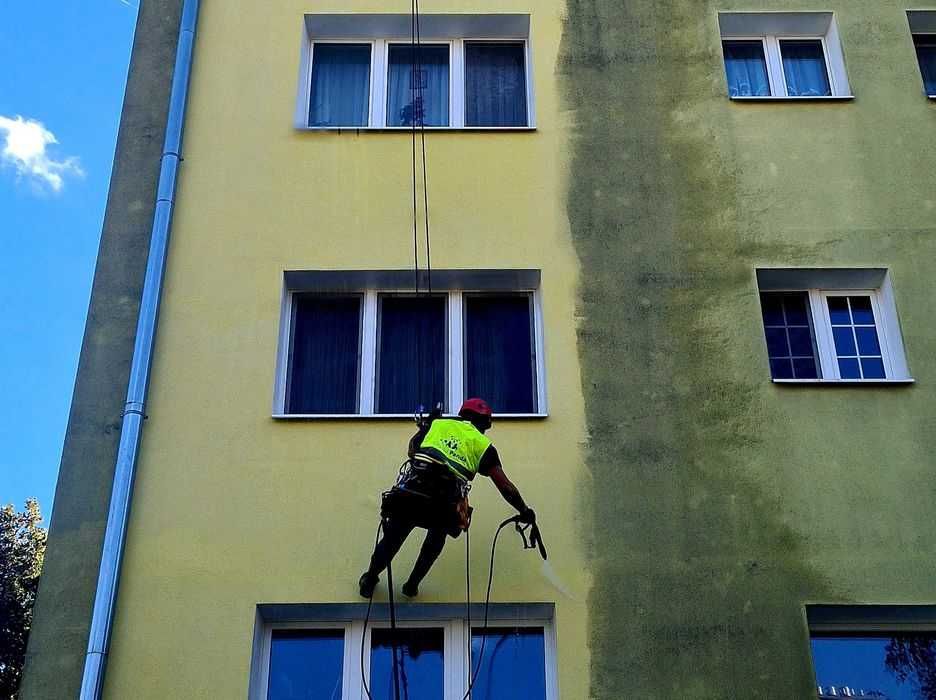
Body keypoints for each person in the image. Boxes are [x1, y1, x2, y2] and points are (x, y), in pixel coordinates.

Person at [359, 398, 535, 599]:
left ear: (463, 414)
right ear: (484, 423)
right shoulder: (483, 445)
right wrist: (524, 510)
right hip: (444, 501)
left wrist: (425, 427)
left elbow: (412, 450)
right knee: (436, 538)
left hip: (414, 490)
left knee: (394, 536)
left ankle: (370, 577)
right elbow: (505, 486)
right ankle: (412, 584)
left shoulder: (438, 424)